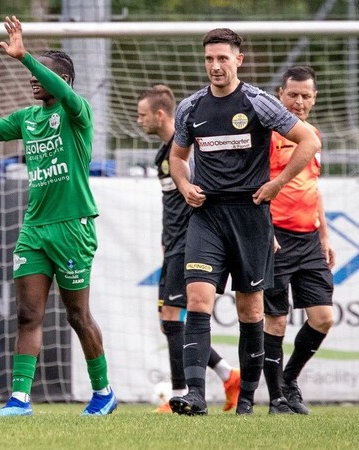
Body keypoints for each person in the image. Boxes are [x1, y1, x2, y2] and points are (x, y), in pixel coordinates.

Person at [0, 16, 115, 417]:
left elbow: (64, 92)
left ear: (61, 79)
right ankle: (19, 400)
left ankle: (103, 392)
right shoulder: (27, 119)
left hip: (72, 226)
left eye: (42, 74)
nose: (33, 80)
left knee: (77, 314)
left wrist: (25, 55)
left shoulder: (76, 113)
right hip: (34, 229)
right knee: (28, 313)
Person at [168, 28, 321, 416]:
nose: (215, 66)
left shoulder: (258, 102)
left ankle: (248, 401)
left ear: (239, 60)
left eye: (223, 58)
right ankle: (196, 395)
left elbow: (309, 141)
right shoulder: (190, 108)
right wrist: (184, 183)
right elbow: (177, 157)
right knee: (198, 299)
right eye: (209, 59)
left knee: (251, 312)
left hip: (251, 217)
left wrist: (277, 184)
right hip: (206, 216)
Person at [136, 85, 240, 413]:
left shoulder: (188, 152)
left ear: (160, 114)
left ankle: (180, 391)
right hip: (173, 245)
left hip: (189, 242)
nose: (139, 121)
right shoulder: (162, 155)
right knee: (169, 321)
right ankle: (227, 374)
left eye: (142, 115)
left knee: (172, 317)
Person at [263, 66, 334, 415]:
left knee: (323, 317)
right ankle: (277, 399)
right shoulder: (267, 136)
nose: (299, 101)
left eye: (306, 95)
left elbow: (312, 187)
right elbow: (255, 189)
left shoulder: (314, 135)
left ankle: (289, 381)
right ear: (280, 95)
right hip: (277, 238)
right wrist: (265, 231)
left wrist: (324, 234)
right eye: (293, 94)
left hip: (310, 241)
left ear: (314, 98)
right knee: (275, 319)